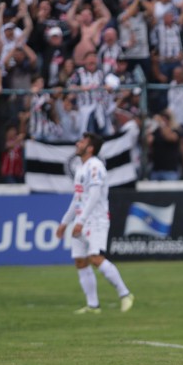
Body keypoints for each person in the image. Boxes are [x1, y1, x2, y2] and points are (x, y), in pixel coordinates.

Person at [56, 133, 134, 314]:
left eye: (82, 142)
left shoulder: (95, 166)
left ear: (90, 148)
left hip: (96, 220)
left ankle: (125, 294)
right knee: (80, 261)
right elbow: (78, 199)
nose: (77, 143)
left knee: (95, 257)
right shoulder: (81, 168)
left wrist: (81, 221)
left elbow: (95, 195)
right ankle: (93, 306)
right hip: (81, 219)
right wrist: (65, 222)